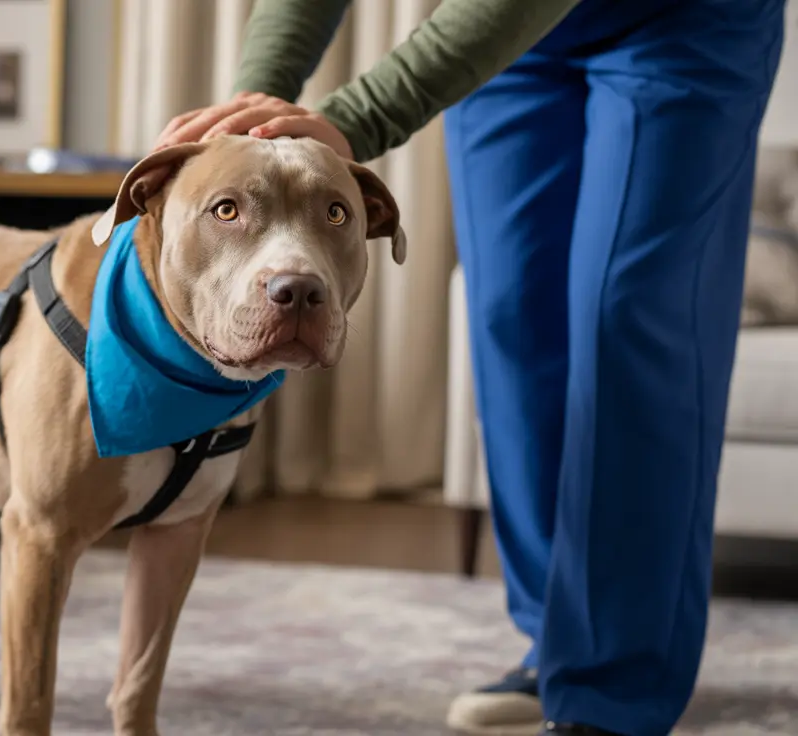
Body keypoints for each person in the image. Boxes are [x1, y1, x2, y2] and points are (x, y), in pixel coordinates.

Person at [155, 1, 787, 734]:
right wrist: (250, 117)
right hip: (506, 46)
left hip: (682, 22)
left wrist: (349, 125)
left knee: (628, 313)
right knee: (512, 313)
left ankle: (613, 682)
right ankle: (557, 642)